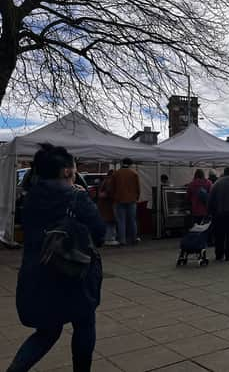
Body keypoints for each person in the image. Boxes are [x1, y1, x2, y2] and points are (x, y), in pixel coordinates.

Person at [8, 143, 105, 372]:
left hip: (38, 274)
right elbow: (99, 232)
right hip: (73, 273)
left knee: (47, 331)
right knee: (84, 323)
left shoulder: (30, 198)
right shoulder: (76, 198)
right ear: (67, 172)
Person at [111, 158, 141, 245]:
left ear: (121, 163)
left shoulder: (116, 173)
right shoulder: (134, 173)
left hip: (119, 200)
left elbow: (112, 188)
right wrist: (136, 197)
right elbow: (138, 188)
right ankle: (134, 238)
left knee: (121, 221)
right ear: (131, 164)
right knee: (132, 220)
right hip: (132, 200)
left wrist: (114, 197)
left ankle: (122, 240)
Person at [98, 170, 118, 246]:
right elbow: (108, 192)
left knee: (107, 222)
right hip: (108, 204)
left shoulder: (104, 181)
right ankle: (110, 238)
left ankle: (108, 237)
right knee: (110, 221)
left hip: (104, 204)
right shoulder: (109, 182)